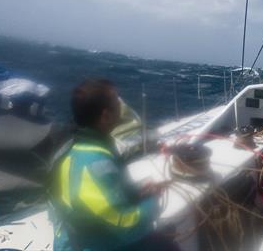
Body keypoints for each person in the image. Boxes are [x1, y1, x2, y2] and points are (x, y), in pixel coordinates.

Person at [49, 79, 177, 251]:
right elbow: (126, 225)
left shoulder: (79, 148)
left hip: (88, 234)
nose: (122, 105)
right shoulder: (92, 165)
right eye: (117, 101)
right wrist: (153, 202)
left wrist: (137, 191)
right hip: (85, 245)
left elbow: (102, 196)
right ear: (106, 116)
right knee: (167, 247)